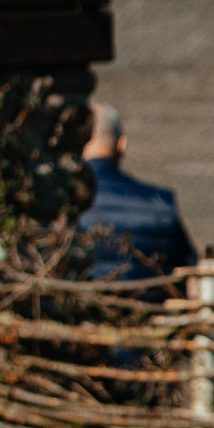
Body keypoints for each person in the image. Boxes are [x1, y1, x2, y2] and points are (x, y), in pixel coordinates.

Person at [77, 103, 196, 295]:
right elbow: (187, 267)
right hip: (152, 316)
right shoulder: (161, 202)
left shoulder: (60, 204)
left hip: (80, 313)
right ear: (122, 143)